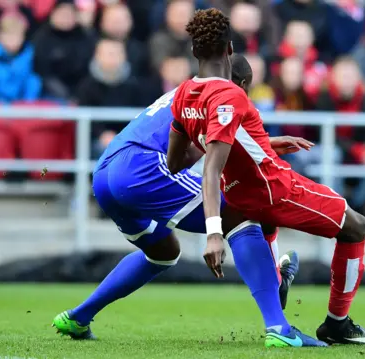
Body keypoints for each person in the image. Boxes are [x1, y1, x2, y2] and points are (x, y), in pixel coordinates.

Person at [51, 58, 321, 347]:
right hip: (142, 167)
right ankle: (278, 326)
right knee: (241, 217)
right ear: (241, 85)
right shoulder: (222, 96)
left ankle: (78, 318)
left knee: (163, 253)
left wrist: (266, 142)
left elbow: (206, 141)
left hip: (106, 173)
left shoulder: (188, 90)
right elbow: (214, 152)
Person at [169, 8, 365, 346]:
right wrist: (214, 234)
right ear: (230, 49)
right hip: (275, 188)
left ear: (193, 51)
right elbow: (211, 166)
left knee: (266, 227)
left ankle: (278, 279)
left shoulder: (183, 94)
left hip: (241, 194)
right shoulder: (231, 93)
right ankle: (337, 322)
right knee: (356, 226)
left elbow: (179, 160)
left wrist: (264, 143)